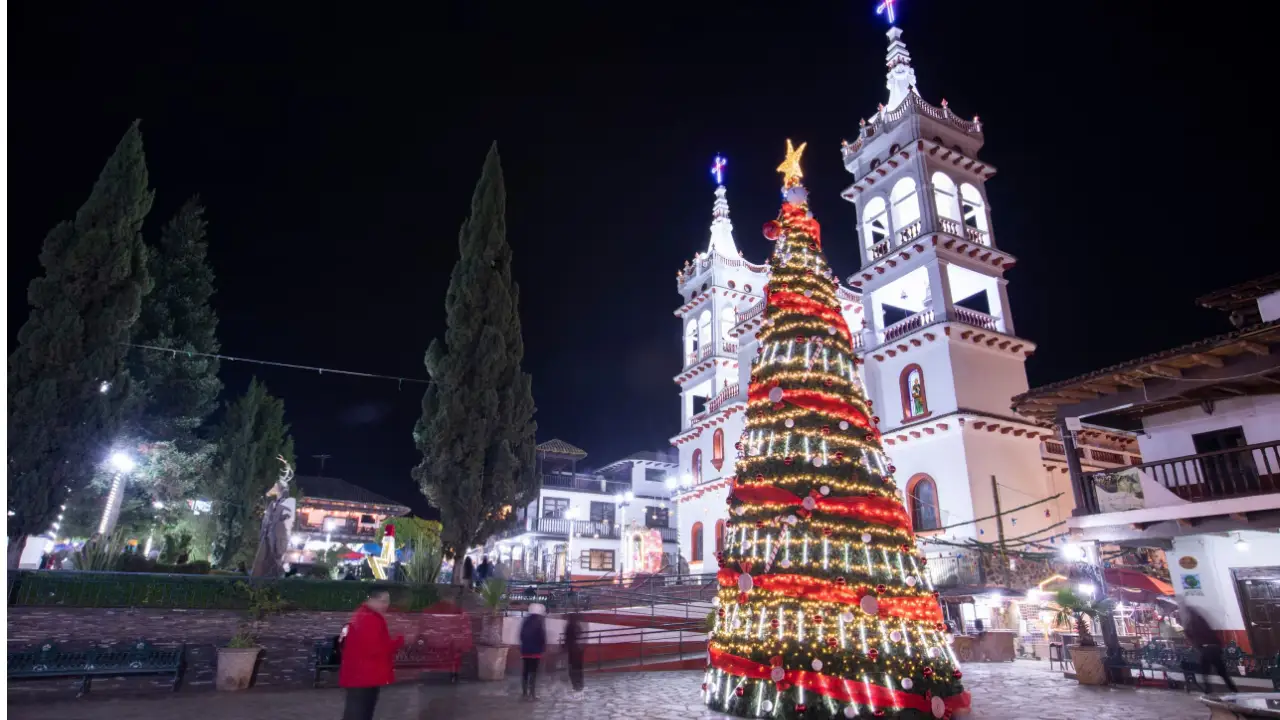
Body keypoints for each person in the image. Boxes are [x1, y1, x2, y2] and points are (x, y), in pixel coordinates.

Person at [339, 589, 405, 720]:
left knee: (359, 712)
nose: (386, 605)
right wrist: (399, 641)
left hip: (362, 675)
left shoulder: (365, 615)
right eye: (383, 601)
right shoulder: (368, 618)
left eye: (388, 602)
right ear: (372, 600)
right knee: (360, 713)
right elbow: (376, 649)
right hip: (364, 676)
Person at [1181, 600, 1238, 693]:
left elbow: (1190, 634)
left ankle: (1208, 690)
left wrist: (1191, 638)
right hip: (1214, 647)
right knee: (1221, 671)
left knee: (1205, 670)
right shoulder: (1202, 620)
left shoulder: (1191, 623)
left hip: (1206, 649)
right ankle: (1233, 689)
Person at [519, 603, 548, 701]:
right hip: (535, 652)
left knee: (525, 672)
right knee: (533, 673)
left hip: (525, 651)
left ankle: (524, 693)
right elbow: (542, 637)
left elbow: (521, 635)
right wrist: (543, 648)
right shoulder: (539, 621)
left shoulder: (525, 621)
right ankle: (532, 694)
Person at [564, 613, 585, 691]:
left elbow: (567, 638)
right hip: (578, 650)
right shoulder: (577, 626)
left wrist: (564, 647)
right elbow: (580, 635)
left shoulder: (569, 626)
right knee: (578, 668)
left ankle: (575, 685)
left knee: (572, 669)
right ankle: (580, 685)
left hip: (572, 650)